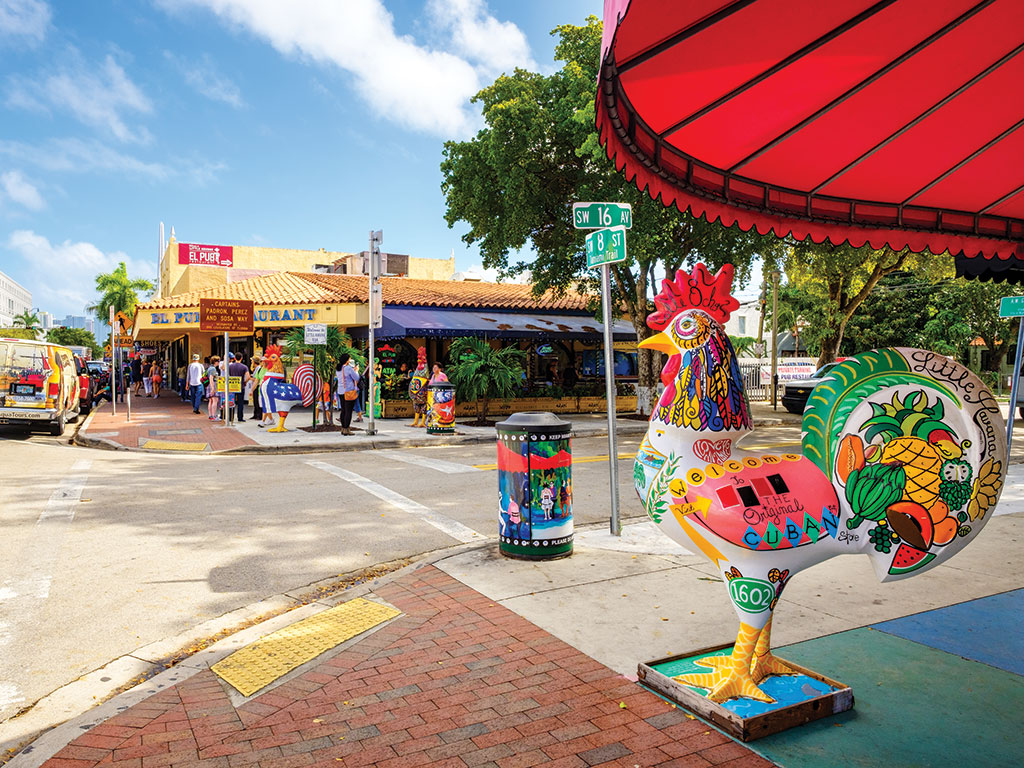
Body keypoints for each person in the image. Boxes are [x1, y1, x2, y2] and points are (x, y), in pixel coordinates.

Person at [335, 354, 360, 435]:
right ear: (346, 360)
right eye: (349, 359)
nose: (350, 360)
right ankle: (346, 429)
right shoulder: (348, 368)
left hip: (340, 391)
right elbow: (356, 378)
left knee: (343, 410)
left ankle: (343, 428)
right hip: (348, 391)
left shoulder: (338, 368)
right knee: (348, 411)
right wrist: (356, 371)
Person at [227, 352, 251, 422]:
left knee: (231, 402)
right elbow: (248, 376)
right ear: (241, 358)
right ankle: (240, 417)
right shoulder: (244, 367)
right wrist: (245, 382)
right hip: (241, 386)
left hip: (232, 386)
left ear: (234, 358)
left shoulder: (230, 366)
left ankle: (230, 417)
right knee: (240, 403)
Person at [206, 355, 221, 420]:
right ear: (215, 362)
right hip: (213, 385)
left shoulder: (210, 368)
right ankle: (213, 416)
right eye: (218, 361)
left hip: (210, 385)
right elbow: (211, 378)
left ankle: (210, 415)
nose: (219, 362)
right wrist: (213, 388)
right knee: (215, 400)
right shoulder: (213, 369)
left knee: (211, 401)